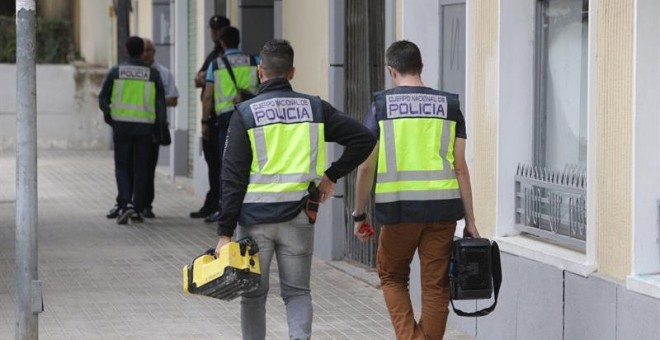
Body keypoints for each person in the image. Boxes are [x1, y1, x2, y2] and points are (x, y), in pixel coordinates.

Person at [214, 39, 377, 340]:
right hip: (298, 219)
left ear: (260, 72)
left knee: (253, 295)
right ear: (292, 72)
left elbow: (232, 178)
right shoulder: (315, 108)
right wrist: (331, 176)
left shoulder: (245, 114)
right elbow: (364, 139)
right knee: (297, 292)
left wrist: (224, 233)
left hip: (254, 222)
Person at [351, 40, 480, 340]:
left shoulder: (381, 107)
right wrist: (470, 221)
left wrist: (359, 214)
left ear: (391, 71)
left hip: (399, 210)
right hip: (444, 210)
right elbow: (460, 167)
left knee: (392, 276)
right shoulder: (450, 107)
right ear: (422, 67)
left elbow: (365, 167)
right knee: (436, 286)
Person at [99, 36, 167, 224]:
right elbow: (160, 105)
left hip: (121, 126)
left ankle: (126, 203)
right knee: (142, 169)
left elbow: (102, 99)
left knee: (122, 167)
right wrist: (159, 129)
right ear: (141, 51)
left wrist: (110, 117)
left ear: (126, 50)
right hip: (145, 127)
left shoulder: (116, 71)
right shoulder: (153, 74)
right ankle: (138, 208)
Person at [201, 26, 259, 223]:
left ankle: (225, 209)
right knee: (252, 162)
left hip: (226, 119)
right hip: (252, 116)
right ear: (238, 40)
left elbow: (208, 95)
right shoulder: (255, 61)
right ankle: (250, 205)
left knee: (227, 164)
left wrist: (204, 122)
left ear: (222, 42)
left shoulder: (216, 64)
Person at [190, 15, 231, 220]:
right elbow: (199, 79)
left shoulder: (223, 57)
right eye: (212, 29)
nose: (214, 33)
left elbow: (206, 89)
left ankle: (220, 205)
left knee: (221, 164)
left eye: (217, 29)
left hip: (219, 118)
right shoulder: (213, 54)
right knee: (214, 163)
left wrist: (204, 121)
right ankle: (213, 202)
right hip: (217, 118)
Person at [142, 38, 179, 218]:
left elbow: (173, 99)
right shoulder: (133, 72)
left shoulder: (163, 73)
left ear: (154, 52)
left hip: (154, 129)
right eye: (142, 50)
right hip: (135, 128)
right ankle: (132, 203)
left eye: (148, 50)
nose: (144, 54)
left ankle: (146, 204)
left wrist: (155, 101)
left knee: (148, 168)